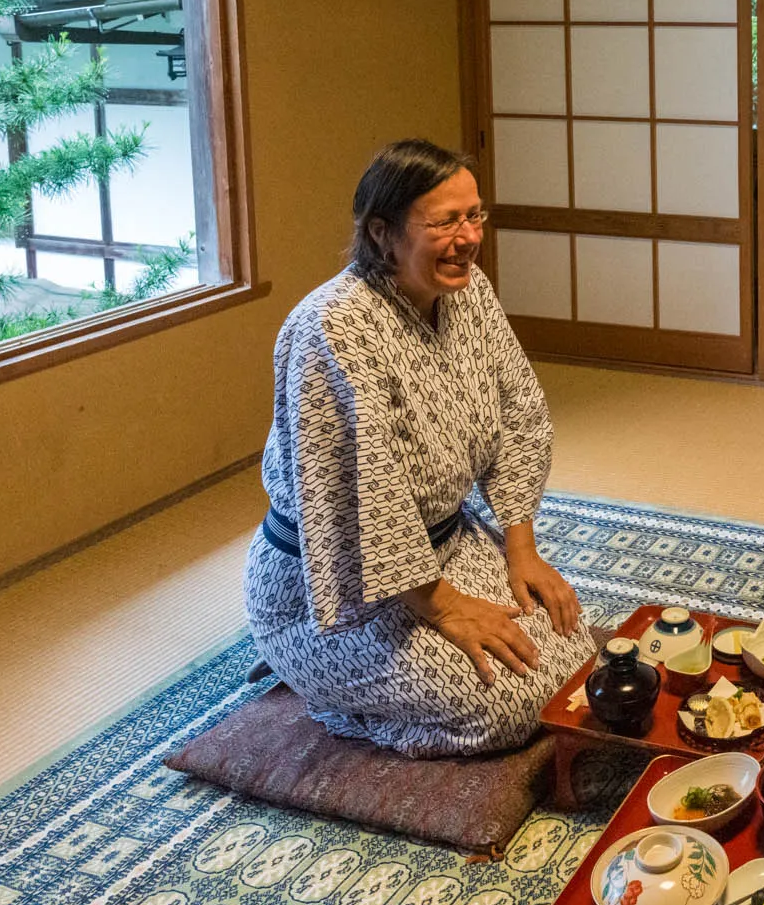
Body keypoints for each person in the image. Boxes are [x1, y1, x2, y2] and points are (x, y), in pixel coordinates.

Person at [243, 139, 596, 758]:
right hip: (337, 589)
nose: (469, 238)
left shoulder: (467, 290)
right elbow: (362, 500)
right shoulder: (333, 328)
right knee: (503, 704)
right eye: (445, 222)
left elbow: (519, 410)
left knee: (572, 648)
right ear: (383, 233)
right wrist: (445, 608)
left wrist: (522, 550)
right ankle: (320, 687)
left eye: (475, 215)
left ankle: (393, 666)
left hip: (445, 545)